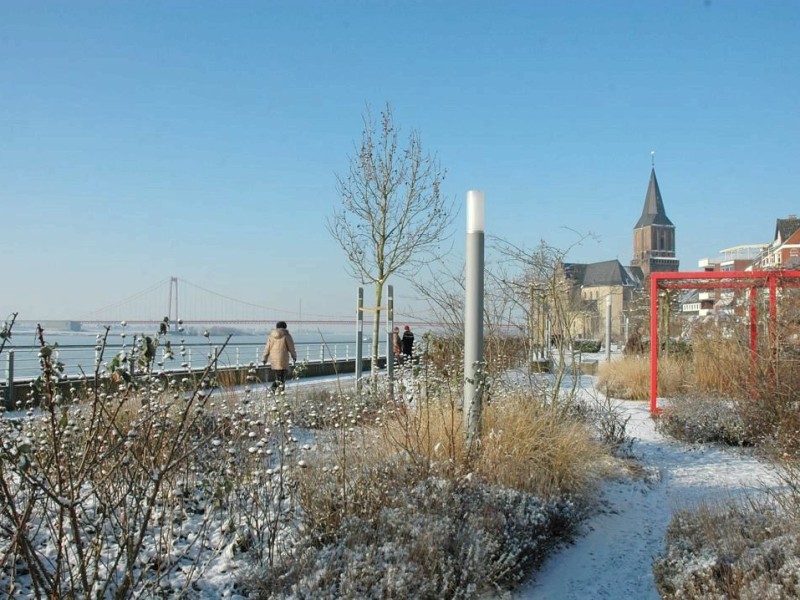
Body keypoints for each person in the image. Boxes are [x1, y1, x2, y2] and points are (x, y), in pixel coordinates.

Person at [262, 320, 297, 391]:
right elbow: (291, 348)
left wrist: (264, 358)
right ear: (285, 327)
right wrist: (294, 356)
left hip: (274, 359)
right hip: (283, 359)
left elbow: (267, 348)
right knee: (282, 377)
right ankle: (278, 390)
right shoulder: (286, 335)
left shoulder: (271, 336)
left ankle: (276, 391)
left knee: (278, 376)